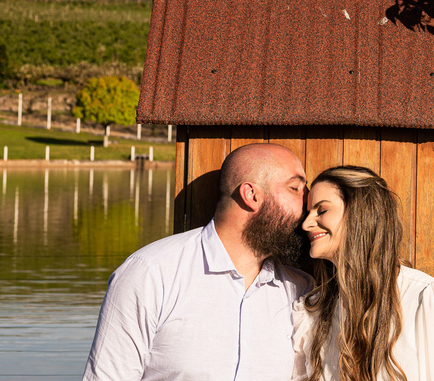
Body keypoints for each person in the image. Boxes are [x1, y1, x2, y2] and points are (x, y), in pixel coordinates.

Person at [83, 143, 312, 381]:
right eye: (295, 188)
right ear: (252, 195)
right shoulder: (150, 274)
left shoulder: (301, 290)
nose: (307, 203)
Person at [293, 166, 434, 381]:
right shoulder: (312, 309)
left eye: (321, 210)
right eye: (307, 213)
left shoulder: (426, 299)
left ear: (361, 214)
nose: (306, 224)